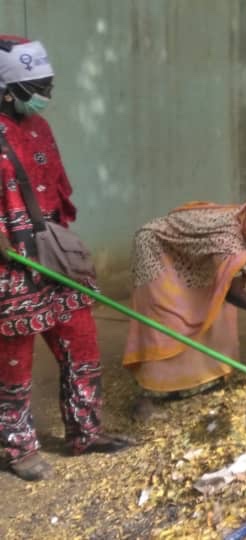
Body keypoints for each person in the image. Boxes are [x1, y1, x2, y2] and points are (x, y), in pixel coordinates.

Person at [0, 37, 129, 481]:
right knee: (14, 360)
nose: (44, 96)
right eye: (35, 88)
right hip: (8, 268)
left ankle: (86, 432)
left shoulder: (39, 127)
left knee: (82, 339)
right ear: (6, 91)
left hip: (52, 253)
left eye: (48, 85)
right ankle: (19, 448)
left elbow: (55, 186)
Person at [124, 194, 246, 418]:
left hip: (190, 254)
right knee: (168, 316)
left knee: (212, 309)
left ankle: (200, 379)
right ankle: (150, 393)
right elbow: (234, 295)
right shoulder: (228, 238)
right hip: (155, 247)